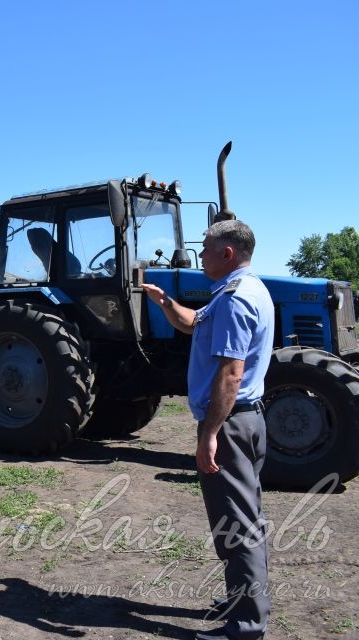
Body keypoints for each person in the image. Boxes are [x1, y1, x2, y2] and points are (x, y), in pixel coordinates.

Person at [141, 220, 274, 640]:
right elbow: (192, 321)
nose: (200, 254)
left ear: (227, 254)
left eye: (206, 248)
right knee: (244, 516)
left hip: (231, 422)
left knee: (238, 523)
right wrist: (165, 302)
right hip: (248, 419)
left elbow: (231, 373)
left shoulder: (235, 300)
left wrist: (210, 432)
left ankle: (246, 625)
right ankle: (243, 600)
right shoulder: (244, 290)